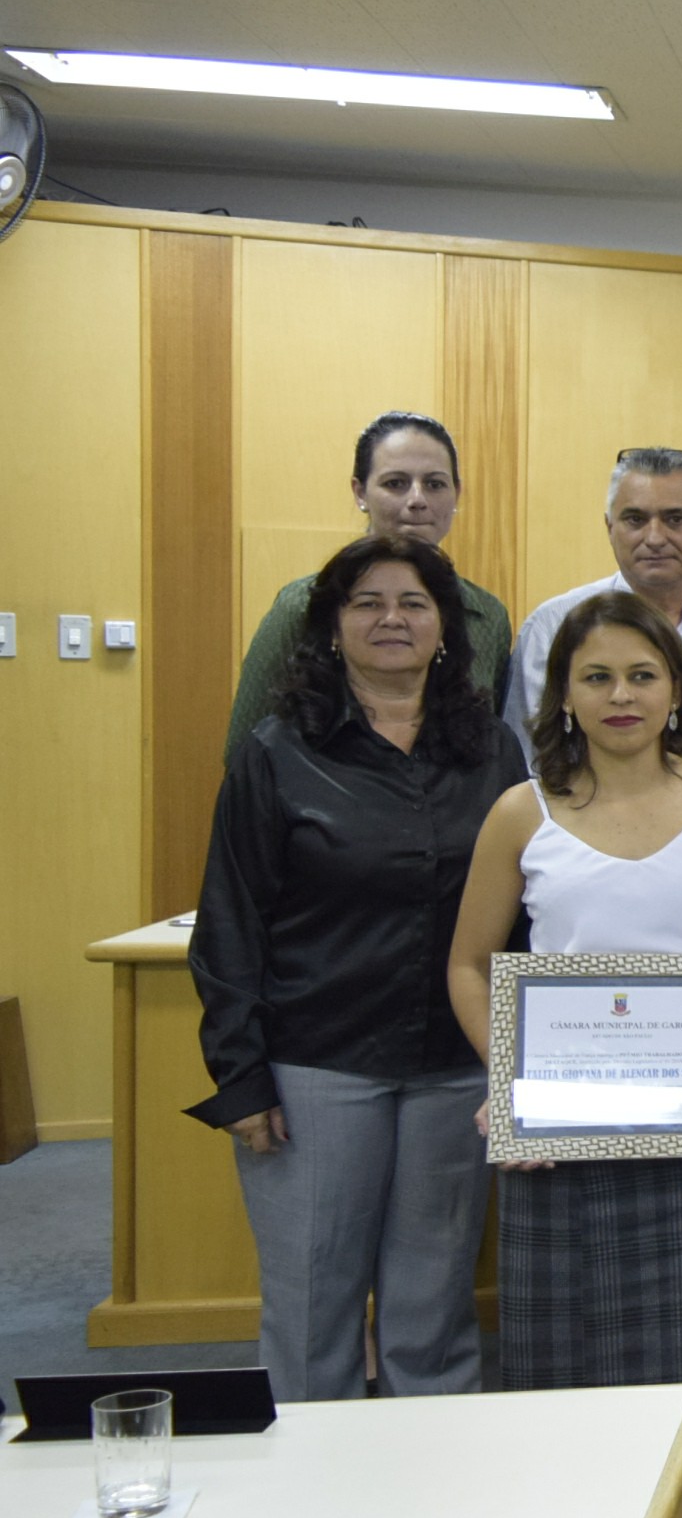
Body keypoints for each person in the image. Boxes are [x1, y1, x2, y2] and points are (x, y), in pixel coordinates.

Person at [189, 534, 518, 1400]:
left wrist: (521, 1063)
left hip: (456, 1070)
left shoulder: (493, 754)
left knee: (434, 1309)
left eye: (413, 603)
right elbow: (228, 924)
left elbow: (523, 920)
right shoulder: (277, 752)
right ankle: (309, 1517)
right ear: (332, 628)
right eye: (366, 603)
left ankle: (430, 1510)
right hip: (314, 1070)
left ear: (447, 627)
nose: (391, 620)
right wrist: (240, 1075)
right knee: (311, 1307)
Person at [448, 589, 682, 1396]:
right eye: (596, 678)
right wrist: (512, 1079)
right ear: (563, 693)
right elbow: (468, 966)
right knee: (565, 1383)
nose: (621, 697)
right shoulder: (519, 813)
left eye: (642, 675)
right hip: (559, 1141)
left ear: (678, 689)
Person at [226, 412, 512, 763]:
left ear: (457, 494)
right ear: (360, 492)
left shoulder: (487, 614)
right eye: (396, 483)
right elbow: (245, 752)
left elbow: (489, 750)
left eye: (435, 484)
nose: (417, 499)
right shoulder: (304, 604)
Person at [504, 447, 682, 772]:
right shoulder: (552, 626)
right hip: (583, 820)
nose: (654, 537)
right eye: (635, 519)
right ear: (610, 527)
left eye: (675, 519)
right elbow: (530, 763)